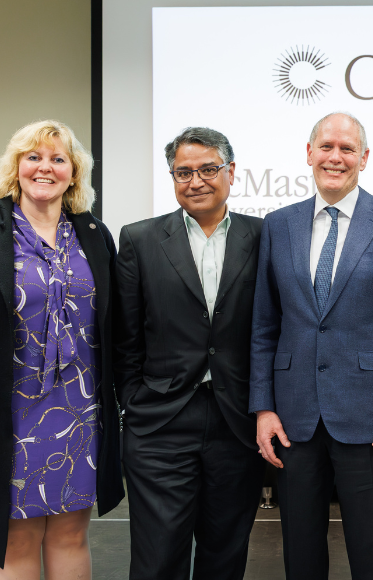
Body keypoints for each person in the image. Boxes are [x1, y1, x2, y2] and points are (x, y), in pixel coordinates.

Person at [0, 120, 124, 579]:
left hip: (80, 411)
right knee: (16, 539)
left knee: (70, 534)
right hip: (10, 415)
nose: (46, 167)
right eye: (34, 157)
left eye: (58, 159)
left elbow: (115, 323)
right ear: (16, 166)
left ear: (74, 173)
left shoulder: (95, 236)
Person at [250, 112, 373, 580]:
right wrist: (263, 407)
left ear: (364, 159)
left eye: (347, 149)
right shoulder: (278, 225)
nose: (335, 157)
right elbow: (265, 325)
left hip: (371, 418)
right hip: (293, 418)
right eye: (326, 146)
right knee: (300, 557)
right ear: (308, 153)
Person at [114, 127, 265, 579]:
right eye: (183, 172)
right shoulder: (139, 240)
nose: (195, 181)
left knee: (225, 555)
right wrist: (135, 400)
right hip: (160, 421)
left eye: (207, 169)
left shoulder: (264, 236)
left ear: (231, 172)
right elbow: (125, 334)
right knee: (159, 558)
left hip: (236, 423)